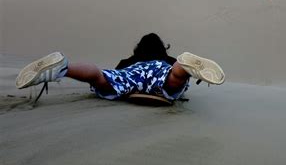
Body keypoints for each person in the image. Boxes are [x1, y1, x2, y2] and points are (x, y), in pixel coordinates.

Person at [15, 46, 225, 103]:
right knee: (174, 78)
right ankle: (184, 66)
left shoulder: (129, 62)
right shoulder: (163, 60)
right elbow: (168, 78)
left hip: (131, 73)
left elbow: (115, 72)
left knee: (100, 77)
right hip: (160, 71)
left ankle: (64, 67)